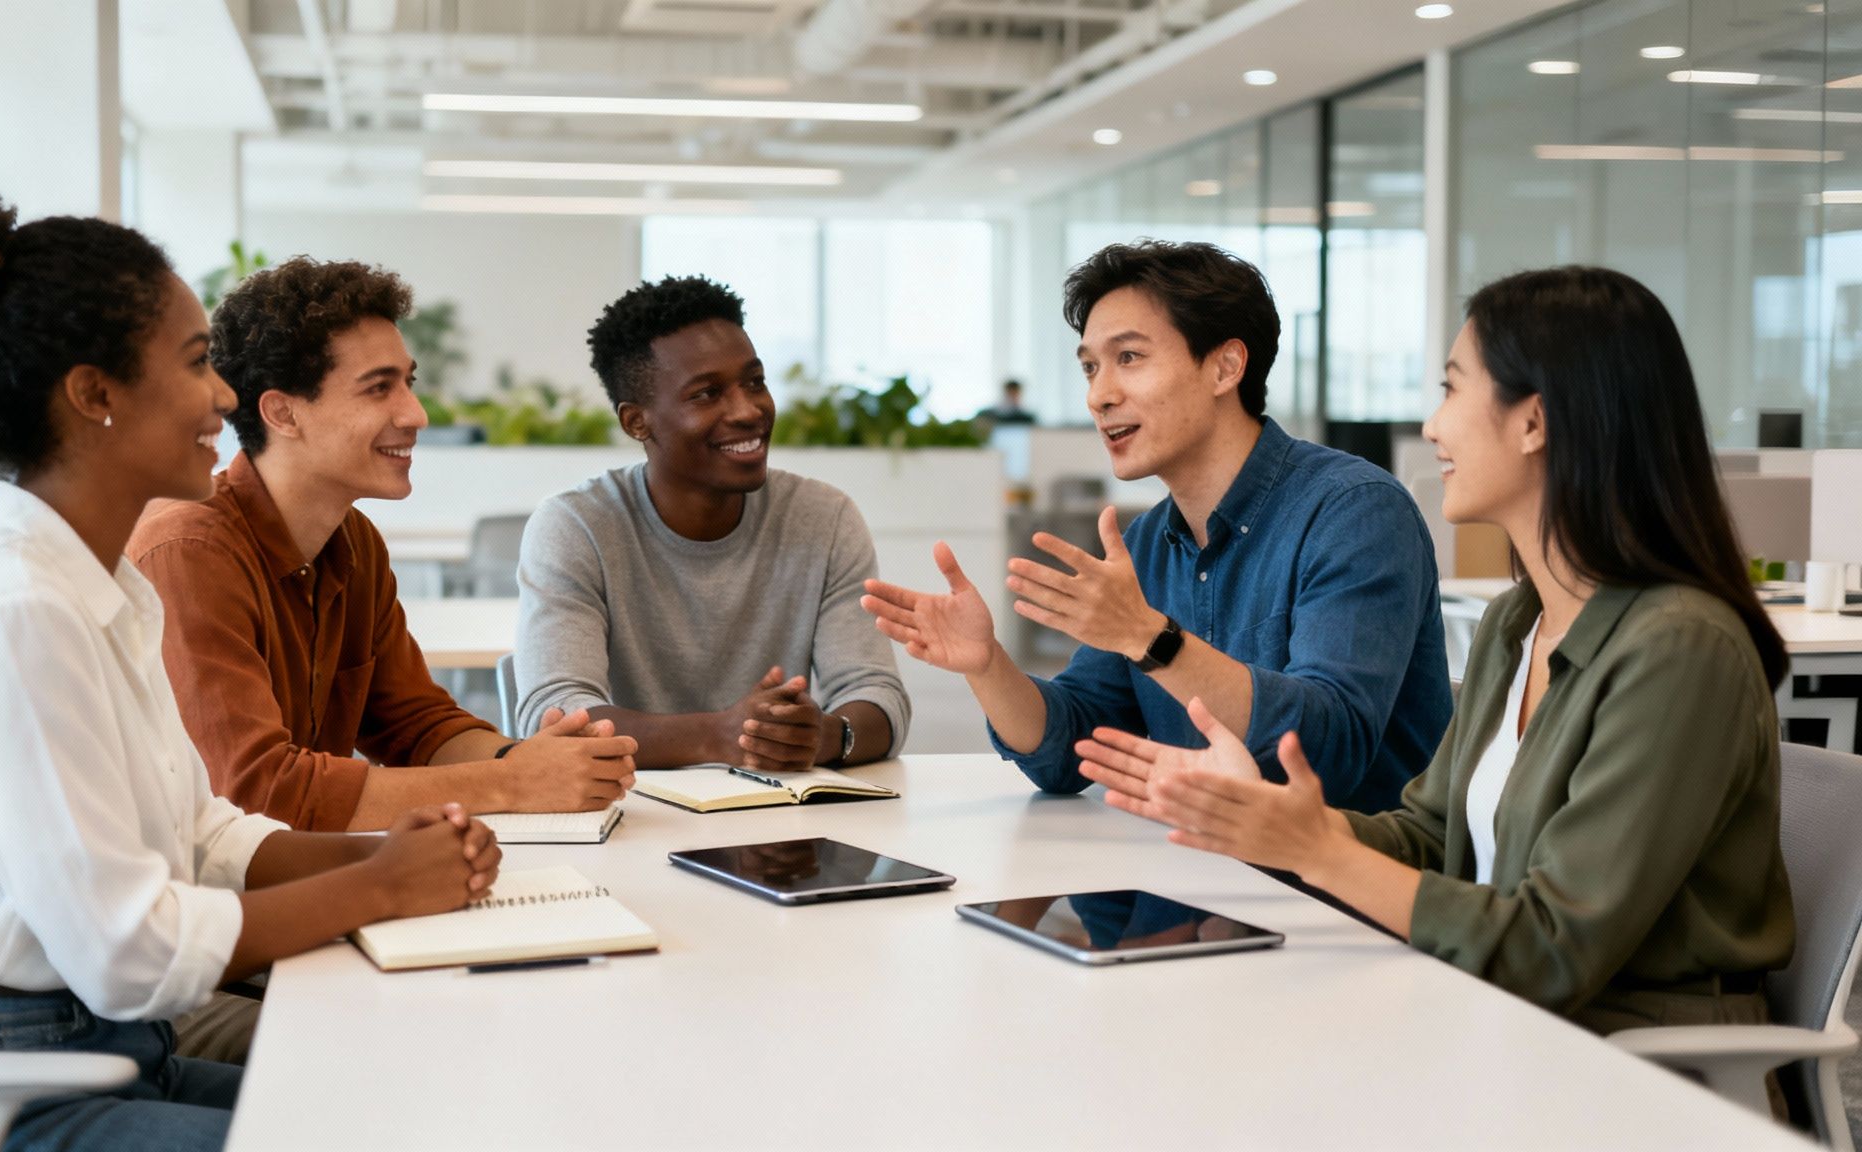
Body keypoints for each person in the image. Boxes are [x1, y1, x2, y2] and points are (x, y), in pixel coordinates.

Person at [0, 184, 499, 1152]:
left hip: (105, 1050)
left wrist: (386, 853)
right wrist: (381, 888)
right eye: (197, 363)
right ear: (94, 396)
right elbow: (129, 950)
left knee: (412, 1110)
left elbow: (202, 837)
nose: (225, 398)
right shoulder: (19, 613)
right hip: (9, 1086)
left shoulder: (98, 587)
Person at [1077, 266, 1795, 1034]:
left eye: (1452, 389)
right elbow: (1429, 838)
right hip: (1485, 1012)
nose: (1431, 426)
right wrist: (1270, 819)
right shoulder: (1519, 621)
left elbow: (1552, 954)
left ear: (1534, 422)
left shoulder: (1679, 649)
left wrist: (1315, 850)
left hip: (1624, 1054)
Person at [862, 240, 1449, 814]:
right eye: (1090, 367)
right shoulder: (1146, 543)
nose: (1099, 395)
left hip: (1340, 872)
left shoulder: (1354, 511)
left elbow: (1328, 752)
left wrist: (1150, 638)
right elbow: (1074, 748)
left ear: (1225, 367)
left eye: (1129, 358)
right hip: (1191, 863)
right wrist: (988, 665)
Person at [127, 257, 637, 836]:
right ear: (283, 413)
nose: (416, 413)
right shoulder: (188, 551)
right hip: (204, 885)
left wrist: (531, 760)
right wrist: (513, 782)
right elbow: (259, 791)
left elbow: (418, 727)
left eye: (407, 383)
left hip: (307, 870)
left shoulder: (353, 541)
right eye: (378, 388)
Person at [513, 274, 910, 770]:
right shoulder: (577, 526)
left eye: (755, 382)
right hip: (626, 805)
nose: (748, 410)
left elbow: (877, 693)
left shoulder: (823, 518)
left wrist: (826, 736)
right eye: (707, 394)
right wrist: (718, 736)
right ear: (637, 421)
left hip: (775, 811)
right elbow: (555, 716)